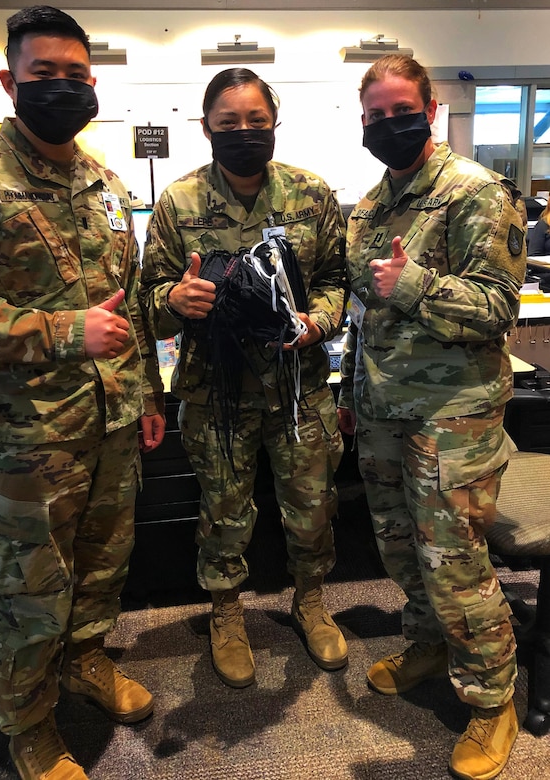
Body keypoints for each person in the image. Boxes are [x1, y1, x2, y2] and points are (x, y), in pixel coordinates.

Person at [0, 6, 165, 780]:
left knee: (102, 566)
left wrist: (151, 395)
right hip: (25, 434)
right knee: (29, 590)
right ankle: (25, 724)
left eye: (75, 76)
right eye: (43, 75)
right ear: (9, 81)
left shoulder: (103, 178)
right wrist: (66, 333)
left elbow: (123, 304)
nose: (62, 89)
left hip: (111, 419)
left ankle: (87, 661)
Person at [337, 54, 527, 780]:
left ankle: (491, 700)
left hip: (453, 417)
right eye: (375, 116)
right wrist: (355, 397)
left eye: (400, 111)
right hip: (385, 410)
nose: (389, 125)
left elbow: (494, 310)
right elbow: (365, 318)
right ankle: (426, 644)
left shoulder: (474, 193)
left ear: (430, 110)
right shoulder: (370, 206)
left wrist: (414, 282)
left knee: (454, 566)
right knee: (397, 549)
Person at [140, 67, 348, 689]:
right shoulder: (178, 203)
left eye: (256, 121)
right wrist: (177, 301)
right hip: (215, 392)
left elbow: (339, 280)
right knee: (225, 511)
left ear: (275, 125)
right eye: (229, 123)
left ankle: (310, 600)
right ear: (206, 128)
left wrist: (320, 320)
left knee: (311, 508)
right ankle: (225, 612)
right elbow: (144, 300)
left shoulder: (312, 195)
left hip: (297, 387)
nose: (244, 133)